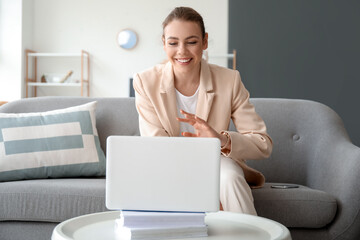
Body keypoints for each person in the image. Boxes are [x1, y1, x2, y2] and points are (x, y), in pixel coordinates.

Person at [133, 6, 272, 215]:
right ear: (164, 43)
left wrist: (220, 139)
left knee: (231, 178)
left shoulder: (229, 80)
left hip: (215, 161)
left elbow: (263, 144)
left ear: (204, 41)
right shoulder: (145, 82)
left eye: (191, 42)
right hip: (168, 164)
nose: (182, 51)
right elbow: (156, 145)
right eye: (173, 43)